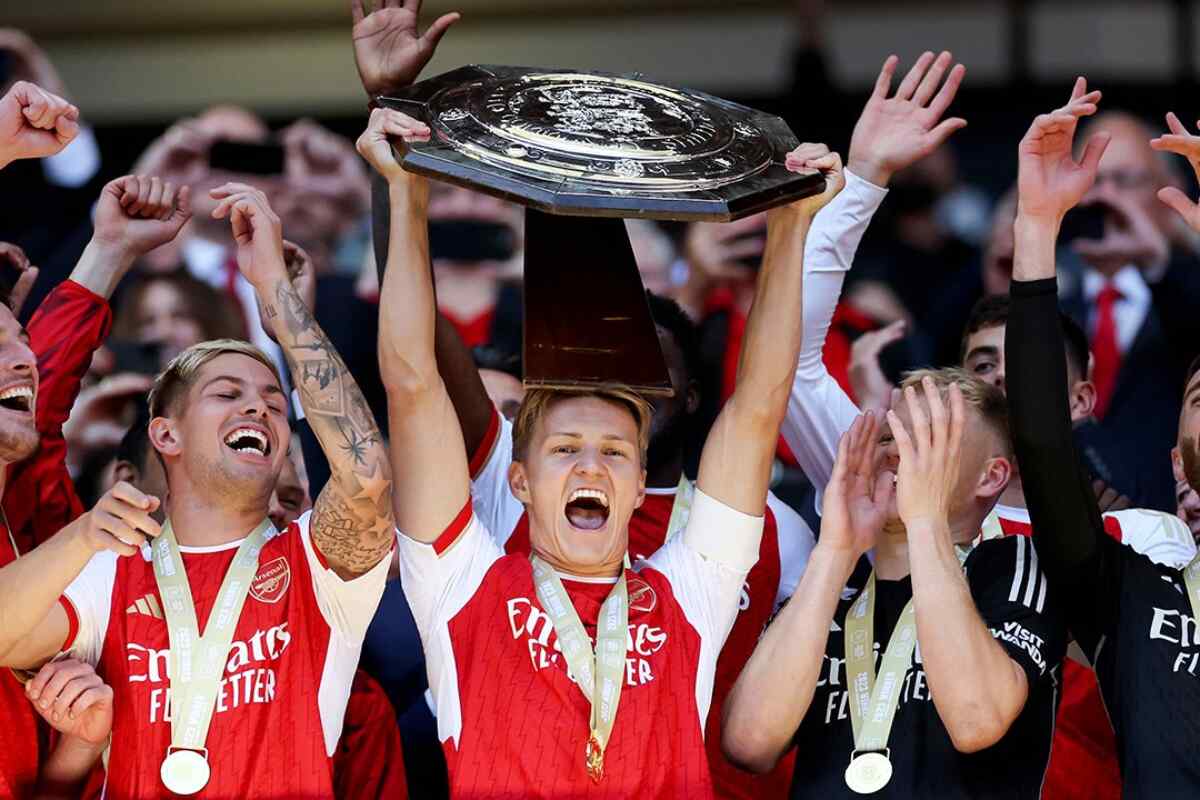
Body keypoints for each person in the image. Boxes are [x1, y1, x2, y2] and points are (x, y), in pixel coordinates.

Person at [363, 99, 840, 796]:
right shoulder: (461, 583)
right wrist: (404, 195)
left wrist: (792, 228)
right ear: (519, 482)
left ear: (642, 474)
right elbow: (412, 383)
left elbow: (758, 406)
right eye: (566, 450)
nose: (592, 464)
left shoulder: (691, 591)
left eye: (615, 452)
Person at [0, 182, 394, 797]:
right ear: (166, 434)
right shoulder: (109, 571)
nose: (258, 409)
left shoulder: (316, 565)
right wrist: (80, 537)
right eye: (226, 394)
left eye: (271, 401)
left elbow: (366, 476)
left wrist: (276, 296)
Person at [725, 369, 1067, 799]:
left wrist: (925, 519)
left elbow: (977, 718)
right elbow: (748, 743)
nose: (895, 452)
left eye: (926, 438)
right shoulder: (832, 589)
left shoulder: (1012, 564)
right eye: (888, 437)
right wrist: (834, 550)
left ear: (990, 476)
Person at [1005, 78, 1200, 797]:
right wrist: (1034, 228)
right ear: (1175, 459)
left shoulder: (1175, 291)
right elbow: (1043, 439)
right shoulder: (1129, 583)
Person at [0, 174, 193, 799]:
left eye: (19, 340)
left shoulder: (33, 494)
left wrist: (81, 746)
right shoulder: (78, 532)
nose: (21, 358)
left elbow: (44, 386)